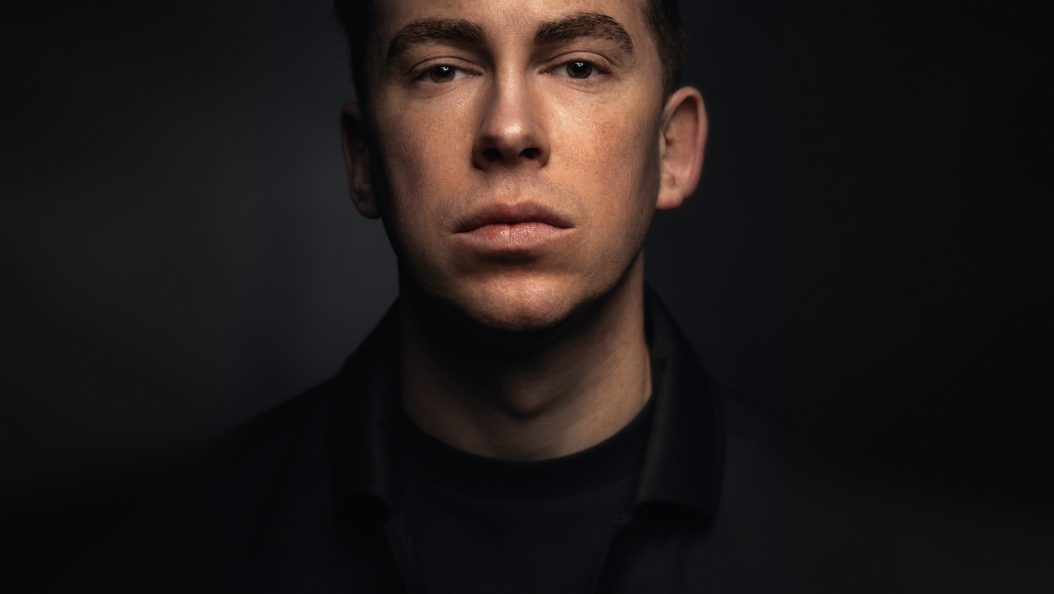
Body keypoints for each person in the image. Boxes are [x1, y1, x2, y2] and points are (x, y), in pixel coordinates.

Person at [62, 1, 785, 592]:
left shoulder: (845, 548)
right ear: (363, 160)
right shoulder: (170, 554)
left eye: (578, 66)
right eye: (442, 70)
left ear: (672, 150)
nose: (509, 130)